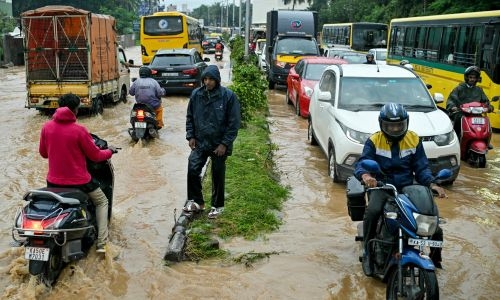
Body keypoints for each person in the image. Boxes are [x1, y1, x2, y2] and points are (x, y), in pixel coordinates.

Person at [354, 103, 447, 275]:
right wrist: (367, 177)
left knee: (432, 220)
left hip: (407, 186)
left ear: (406, 123)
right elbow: (361, 163)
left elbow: (421, 168)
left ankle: (436, 258)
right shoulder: (374, 140)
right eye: (390, 125)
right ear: (382, 125)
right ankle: (367, 252)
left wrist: (433, 184)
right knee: (373, 211)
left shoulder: (414, 139)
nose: (395, 129)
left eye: (399, 125)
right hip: (383, 186)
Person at [39, 93, 118, 253]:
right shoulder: (79, 130)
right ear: (76, 110)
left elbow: (43, 153)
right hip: (80, 182)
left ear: (59, 106)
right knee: (102, 202)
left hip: (53, 183)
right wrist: (110, 151)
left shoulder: (46, 127)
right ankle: (102, 243)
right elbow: (95, 155)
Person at [184, 65, 241, 219]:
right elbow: (190, 117)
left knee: (217, 175)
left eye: (211, 79)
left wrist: (224, 144)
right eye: (205, 79)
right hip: (201, 142)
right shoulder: (196, 94)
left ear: (217, 80)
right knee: (193, 168)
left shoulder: (228, 96)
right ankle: (197, 202)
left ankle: (217, 206)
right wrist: (191, 136)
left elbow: (234, 123)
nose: (207, 82)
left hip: (218, 145)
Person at [446, 66, 494, 139]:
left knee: (484, 122)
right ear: (467, 78)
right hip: (461, 113)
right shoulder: (459, 88)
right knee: (458, 121)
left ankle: (485, 139)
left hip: (476, 114)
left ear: (477, 79)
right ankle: (455, 139)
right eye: (470, 77)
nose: (472, 79)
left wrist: (489, 107)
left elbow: (485, 101)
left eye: (474, 78)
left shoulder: (479, 90)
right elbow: (451, 99)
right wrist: (452, 107)